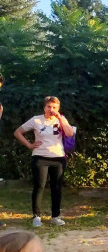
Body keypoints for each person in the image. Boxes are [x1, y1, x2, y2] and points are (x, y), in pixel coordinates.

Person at [14, 97, 75, 228]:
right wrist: (30, 145)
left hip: (58, 158)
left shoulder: (61, 119)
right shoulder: (36, 120)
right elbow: (18, 132)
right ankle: (36, 216)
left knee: (57, 187)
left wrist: (60, 118)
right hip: (40, 157)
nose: (51, 109)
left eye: (54, 107)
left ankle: (55, 216)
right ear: (44, 108)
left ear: (58, 108)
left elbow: (70, 133)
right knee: (39, 186)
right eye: (49, 107)